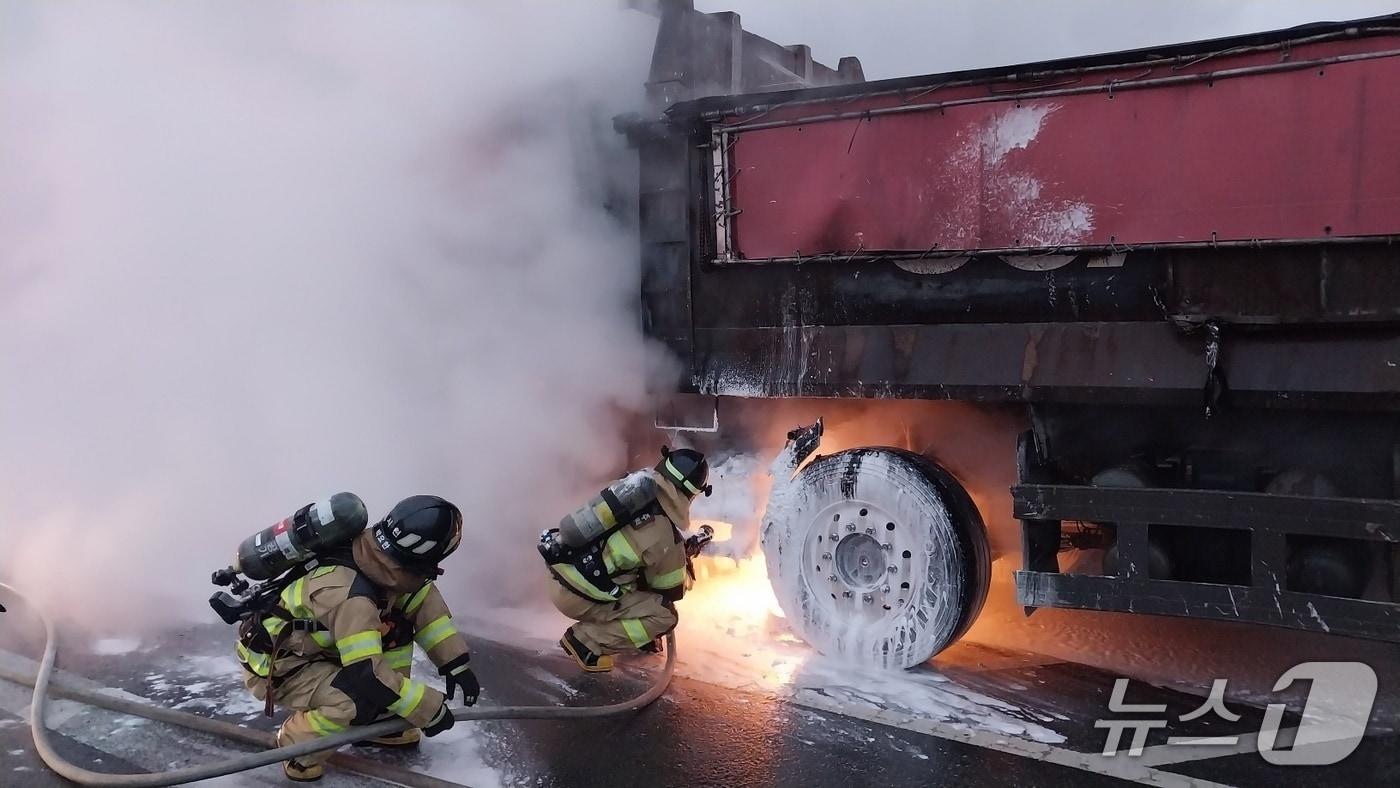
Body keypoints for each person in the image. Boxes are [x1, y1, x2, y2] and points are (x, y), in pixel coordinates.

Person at [236, 495, 480, 783]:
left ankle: (383, 722)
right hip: (281, 666)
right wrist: (426, 708)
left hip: (321, 648)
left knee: (396, 628)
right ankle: (298, 748)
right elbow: (366, 674)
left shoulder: (381, 557)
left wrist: (455, 663)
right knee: (353, 699)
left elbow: (421, 602)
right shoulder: (351, 594)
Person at [546, 448, 710, 673]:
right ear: (692, 493)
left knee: (631, 577)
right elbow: (672, 590)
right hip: (579, 598)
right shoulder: (665, 534)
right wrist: (683, 558)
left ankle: (617, 637)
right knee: (664, 614)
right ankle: (586, 642)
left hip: (557, 574)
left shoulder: (628, 489)